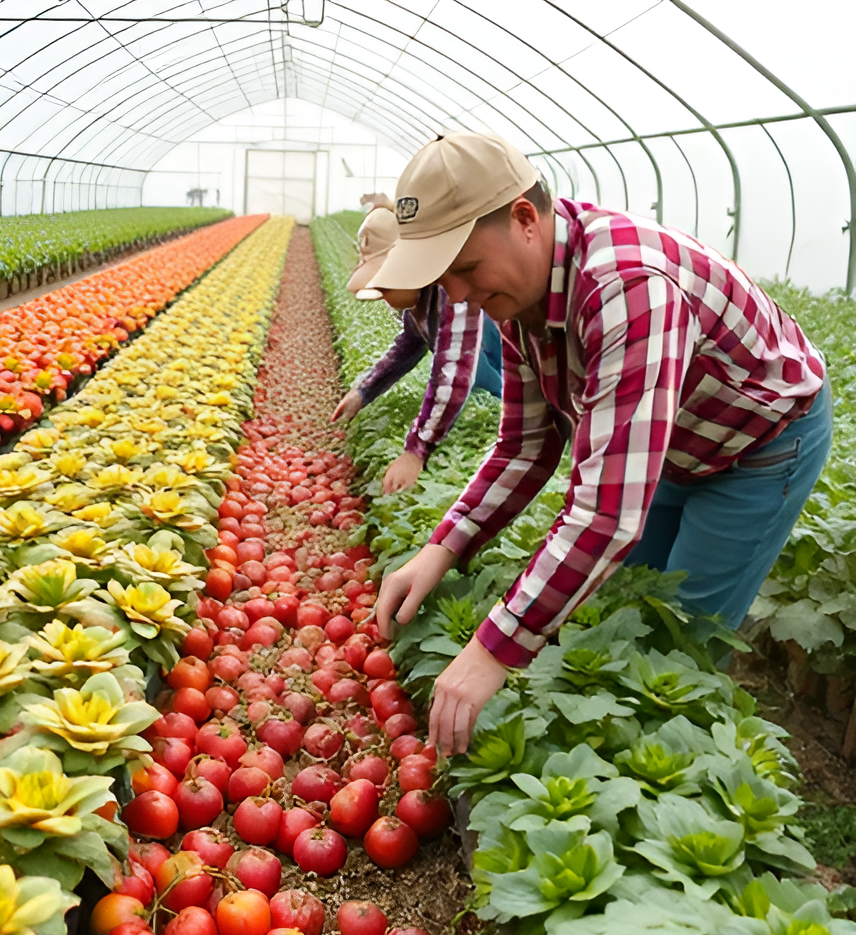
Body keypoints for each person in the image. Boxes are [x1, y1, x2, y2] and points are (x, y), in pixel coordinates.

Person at [367, 132, 831, 757]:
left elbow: (608, 514)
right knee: (621, 613)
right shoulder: (517, 301)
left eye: (466, 269)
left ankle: (661, 791)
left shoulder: (628, 286)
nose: (456, 295)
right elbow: (525, 447)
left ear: (525, 220)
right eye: (443, 278)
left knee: (680, 639)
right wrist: (440, 549)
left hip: (758, 444)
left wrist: (493, 649)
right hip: (667, 442)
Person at [332, 205, 504, 494]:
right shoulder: (420, 300)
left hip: (519, 384)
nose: (383, 297)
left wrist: (415, 452)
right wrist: (363, 392)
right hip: (484, 393)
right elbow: (408, 347)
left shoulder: (453, 290)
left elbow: (453, 371)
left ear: (407, 266)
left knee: (505, 426)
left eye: (383, 286)